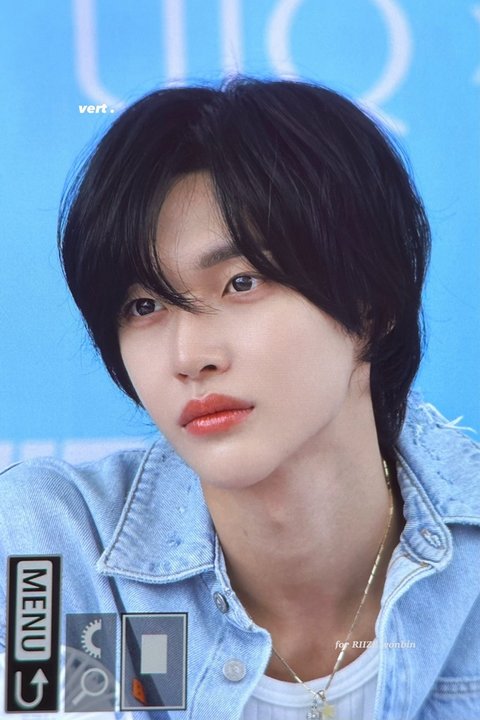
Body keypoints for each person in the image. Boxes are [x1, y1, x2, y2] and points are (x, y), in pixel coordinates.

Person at [1, 77, 480, 720]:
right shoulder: (53, 550)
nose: (189, 356)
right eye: (144, 305)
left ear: (372, 306)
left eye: (241, 282)